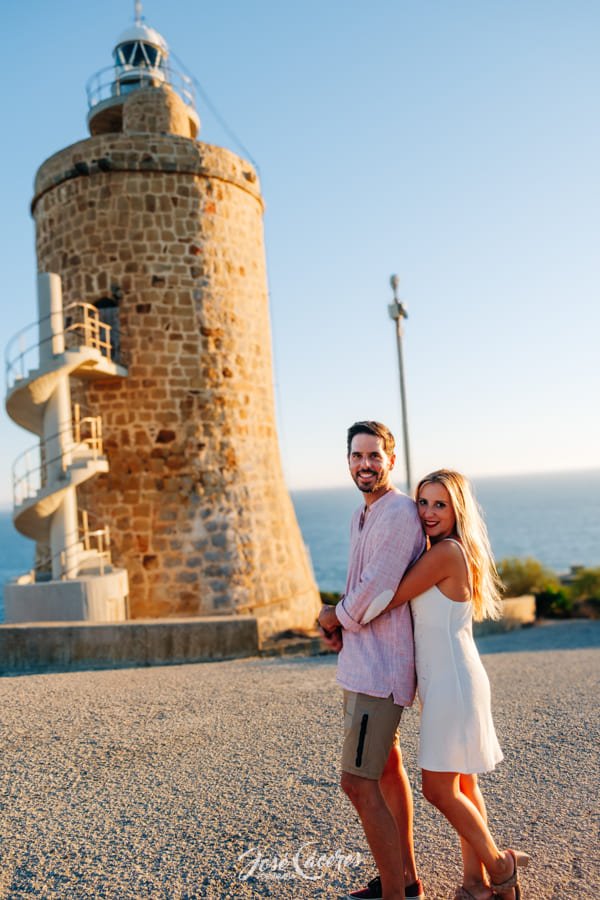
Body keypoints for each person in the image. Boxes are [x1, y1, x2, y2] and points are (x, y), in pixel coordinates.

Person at [326, 468, 530, 900]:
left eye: (440, 504)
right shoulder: (447, 550)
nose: (429, 512)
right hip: (452, 678)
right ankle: (475, 885)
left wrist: (337, 614)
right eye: (423, 502)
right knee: (465, 785)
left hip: (454, 682)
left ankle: (499, 866)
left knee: (438, 789)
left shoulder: (444, 554)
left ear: (458, 510)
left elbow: (385, 595)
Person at [318, 421, 426, 900]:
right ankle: (403, 880)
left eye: (374, 456)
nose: (365, 464)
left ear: (391, 461)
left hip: (381, 672)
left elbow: (376, 592)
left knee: (355, 782)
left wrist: (333, 616)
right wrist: (339, 627)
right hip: (362, 663)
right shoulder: (362, 514)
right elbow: (358, 587)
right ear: (348, 461)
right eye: (357, 456)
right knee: (385, 769)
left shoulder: (400, 512)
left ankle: (394, 896)